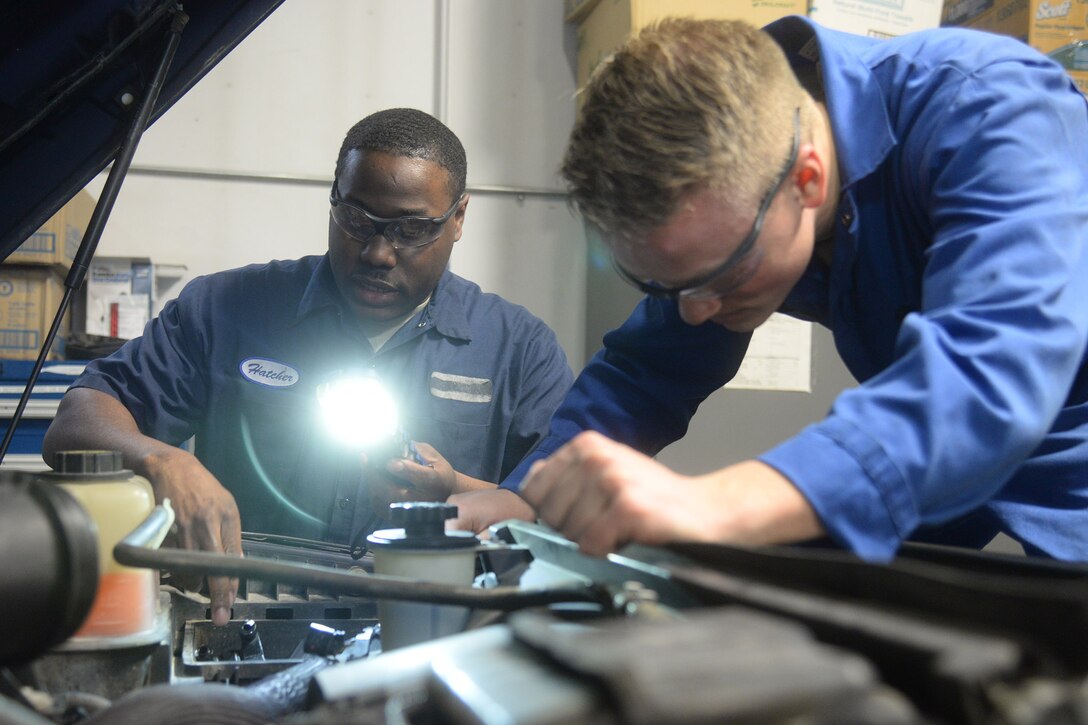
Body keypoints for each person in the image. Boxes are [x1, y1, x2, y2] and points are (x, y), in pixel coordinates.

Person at [453, 15, 1088, 562]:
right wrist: (527, 492)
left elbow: (989, 369)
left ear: (807, 180)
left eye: (722, 279)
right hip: (937, 445)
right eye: (666, 286)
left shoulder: (988, 106)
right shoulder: (739, 167)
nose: (695, 312)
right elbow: (650, 368)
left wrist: (720, 501)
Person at [43, 108, 573, 624]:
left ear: (457, 219)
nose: (378, 254)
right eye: (356, 220)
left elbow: (563, 520)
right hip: (245, 625)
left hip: (433, 635)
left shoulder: (518, 350)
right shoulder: (228, 308)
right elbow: (75, 420)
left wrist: (454, 486)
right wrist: (163, 462)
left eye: (411, 231)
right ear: (333, 199)